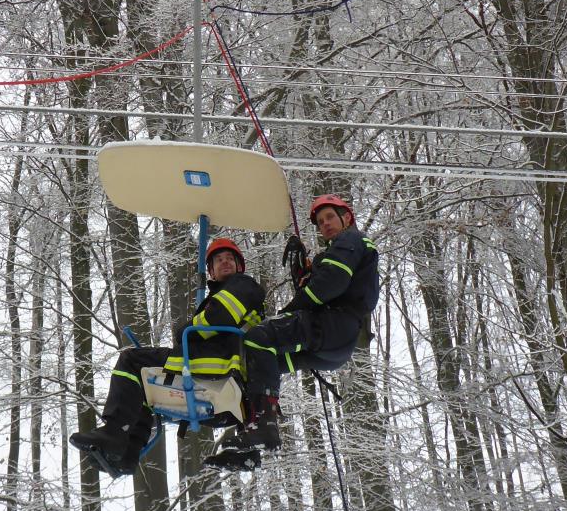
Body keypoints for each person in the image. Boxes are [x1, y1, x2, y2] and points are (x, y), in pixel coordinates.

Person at [205, 194, 379, 470]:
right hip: (336, 347)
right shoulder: (337, 251)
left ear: (347, 217)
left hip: (334, 324)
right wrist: (304, 275)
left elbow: (329, 285)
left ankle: (263, 424)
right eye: (320, 222)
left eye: (330, 217)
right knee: (263, 364)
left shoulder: (352, 240)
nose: (325, 225)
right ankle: (250, 442)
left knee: (258, 338)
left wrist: (292, 307)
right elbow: (324, 285)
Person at [72, 236, 266, 476]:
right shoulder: (224, 294)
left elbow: (218, 319)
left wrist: (185, 330)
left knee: (131, 361)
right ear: (211, 272)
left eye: (229, 259)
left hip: (214, 368)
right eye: (218, 260)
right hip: (218, 391)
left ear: (240, 266)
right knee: (141, 385)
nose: (225, 263)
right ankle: (126, 454)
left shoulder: (242, 285)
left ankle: (114, 431)